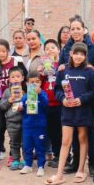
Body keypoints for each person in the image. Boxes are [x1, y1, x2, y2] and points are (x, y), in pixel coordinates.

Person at [46, 42, 94, 185]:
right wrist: (63, 99)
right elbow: (57, 89)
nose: (79, 56)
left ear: (86, 56)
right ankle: (59, 174)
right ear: (71, 54)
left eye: (82, 54)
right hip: (67, 111)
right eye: (76, 53)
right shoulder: (64, 70)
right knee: (65, 141)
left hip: (83, 111)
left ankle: (81, 170)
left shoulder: (89, 71)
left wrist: (82, 99)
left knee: (83, 138)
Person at [0, 39, 26, 168]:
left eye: (3, 51)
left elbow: (24, 77)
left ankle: (12, 156)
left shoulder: (17, 61)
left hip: (16, 99)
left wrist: (24, 95)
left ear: (8, 50)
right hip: (1, 101)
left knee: (16, 128)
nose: (1, 54)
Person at [20, 70, 50, 177]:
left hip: (40, 126)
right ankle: (28, 165)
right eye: (32, 82)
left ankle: (41, 166)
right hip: (27, 126)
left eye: (37, 82)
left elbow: (46, 105)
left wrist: (40, 94)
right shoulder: (25, 96)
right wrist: (20, 107)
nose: (34, 84)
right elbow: (22, 107)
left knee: (40, 147)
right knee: (27, 146)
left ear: (40, 83)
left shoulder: (43, 94)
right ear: (27, 83)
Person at [0, 69, 27, 171]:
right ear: (9, 79)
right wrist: (10, 100)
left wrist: (24, 99)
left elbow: (32, 104)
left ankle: (25, 160)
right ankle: (15, 160)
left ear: (22, 78)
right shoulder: (7, 92)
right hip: (11, 121)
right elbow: (2, 106)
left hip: (25, 120)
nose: (15, 79)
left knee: (25, 142)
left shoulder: (26, 90)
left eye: (18, 76)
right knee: (14, 142)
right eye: (13, 77)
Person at [41, 39, 62, 168]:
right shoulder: (43, 64)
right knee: (48, 130)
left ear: (58, 49)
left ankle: (60, 156)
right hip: (46, 103)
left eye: (53, 48)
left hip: (59, 104)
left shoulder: (62, 64)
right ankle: (51, 154)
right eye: (47, 48)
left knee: (57, 132)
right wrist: (40, 72)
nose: (50, 50)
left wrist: (60, 69)